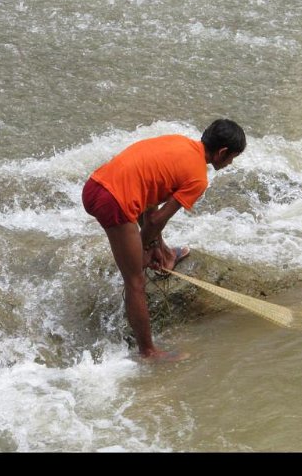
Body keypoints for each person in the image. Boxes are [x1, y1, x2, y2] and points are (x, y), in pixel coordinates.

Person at [82, 119, 246, 361]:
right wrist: (146, 247)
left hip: (95, 185)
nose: (231, 162)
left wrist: (156, 245)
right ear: (222, 152)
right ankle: (149, 352)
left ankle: (167, 254)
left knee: (142, 252)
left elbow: (150, 195)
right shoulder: (198, 177)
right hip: (114, 201)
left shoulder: (178, 142)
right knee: (135, 279)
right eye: (232, 157)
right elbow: (157, 220)